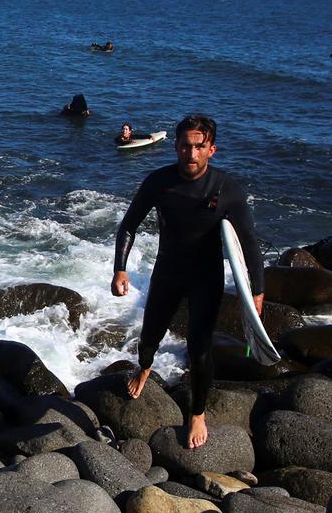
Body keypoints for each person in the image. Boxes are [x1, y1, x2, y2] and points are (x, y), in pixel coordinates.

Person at [110, 114, 265, 449]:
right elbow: (129, 225)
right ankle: (145, 368)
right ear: (176, 146)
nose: (191, 154)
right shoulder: (159, 182)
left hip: (206, 276)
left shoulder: (227, 189)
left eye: (199, 146)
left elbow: (249, 243)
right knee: (149, 337)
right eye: (185, 146)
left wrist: (258, 292)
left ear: (212, 149)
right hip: (167, 271)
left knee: (200, 349)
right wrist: (119, 269)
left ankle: (197, 412)